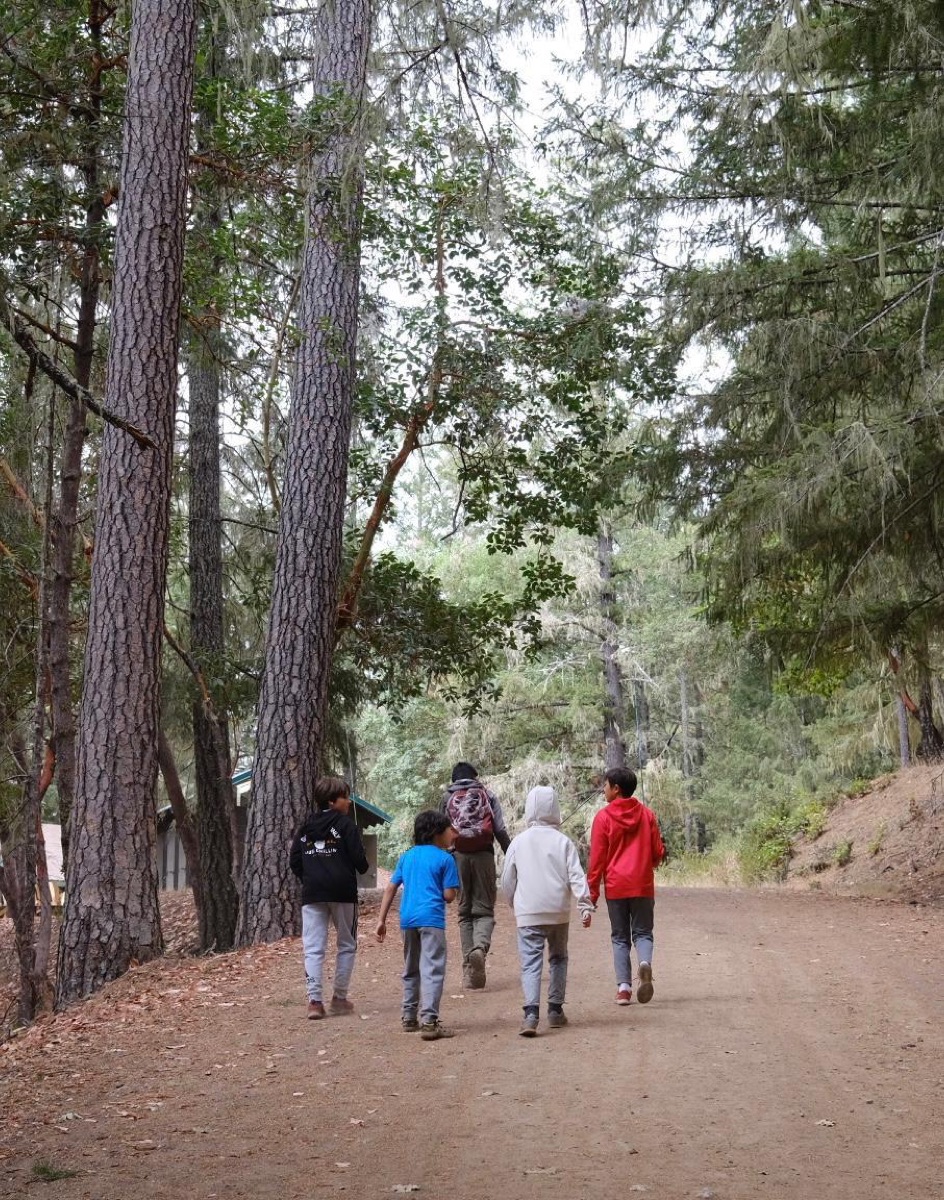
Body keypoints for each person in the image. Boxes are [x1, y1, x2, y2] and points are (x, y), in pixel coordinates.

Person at [500, 785, 594, 1037]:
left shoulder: (518, 842)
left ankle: (531, 1014)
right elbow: (576, 875)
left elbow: (508, 880)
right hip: (558, 912)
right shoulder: (563, 842)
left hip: (528, 912)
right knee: (558, 958)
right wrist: (585, 905)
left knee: (530, 963)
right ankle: (554, 1010)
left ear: (529, 809)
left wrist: (514, 903)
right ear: (556, 810)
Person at [289, 776, 370, 1020]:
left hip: (312, 893)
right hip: (343, 893)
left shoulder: (304, 828)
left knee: (313, 948)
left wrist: (312, 877)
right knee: (347, 944)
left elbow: (295, 861)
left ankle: (315, 1002)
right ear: (333, 801)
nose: (349, 802)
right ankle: (339, 998)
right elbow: (362, 864)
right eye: (345, 797)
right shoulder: (346, 826)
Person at [376, 810, 461, 1041]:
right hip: (432, 919)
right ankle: (430, 1022)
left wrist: (381, 920)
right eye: (448, 830)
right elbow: (449, 896)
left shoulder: (407, 856)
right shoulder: (446, 859)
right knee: (432, 968)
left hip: (407, 920)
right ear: (436, 833)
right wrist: (451, 888)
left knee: (411, 967)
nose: (452, 834)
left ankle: (409, 1017)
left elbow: (391, 888)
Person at [588, 766, 665, 1007]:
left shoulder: (603, 818)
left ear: (616, 789)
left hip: (616, 886)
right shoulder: (647, 815)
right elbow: (656, 854)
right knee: (643, 932)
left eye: (606, 785)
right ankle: (644, 963)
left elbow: (597, 860)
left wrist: (591, 895)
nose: (603, 789)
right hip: (642, 884)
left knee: (620, 937)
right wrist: (649, 861)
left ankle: (623, 989)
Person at [440, 761, 510, 989]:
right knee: (484, 910)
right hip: (484, 855)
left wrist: (442, 862)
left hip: (457, 856)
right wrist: (511, 854)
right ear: (475, 776)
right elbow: (499, 828)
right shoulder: (487, 795)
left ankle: (470, 971)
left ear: (454, 779)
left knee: (464, 913)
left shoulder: (446, 797)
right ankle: (479, 948)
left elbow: (440, 832)